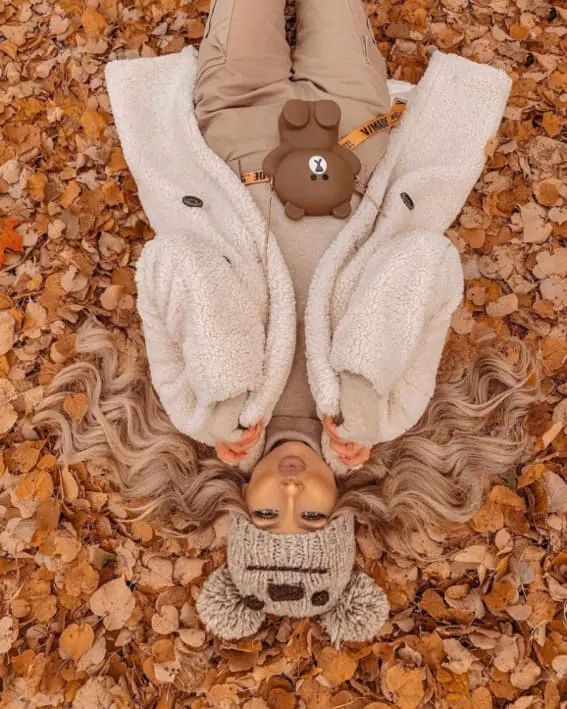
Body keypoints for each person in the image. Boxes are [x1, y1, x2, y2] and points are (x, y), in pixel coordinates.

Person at [33, 0, 541, 643]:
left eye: (269, 513)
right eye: (313, 515)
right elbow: (426, 262)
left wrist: (227, 395)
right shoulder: (388, 413)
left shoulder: (201, 414)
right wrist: (358, 389)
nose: (292, 492)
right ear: (344, 509)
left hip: (235, 137)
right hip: (350, 136)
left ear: (240, 508)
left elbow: (170, 263)